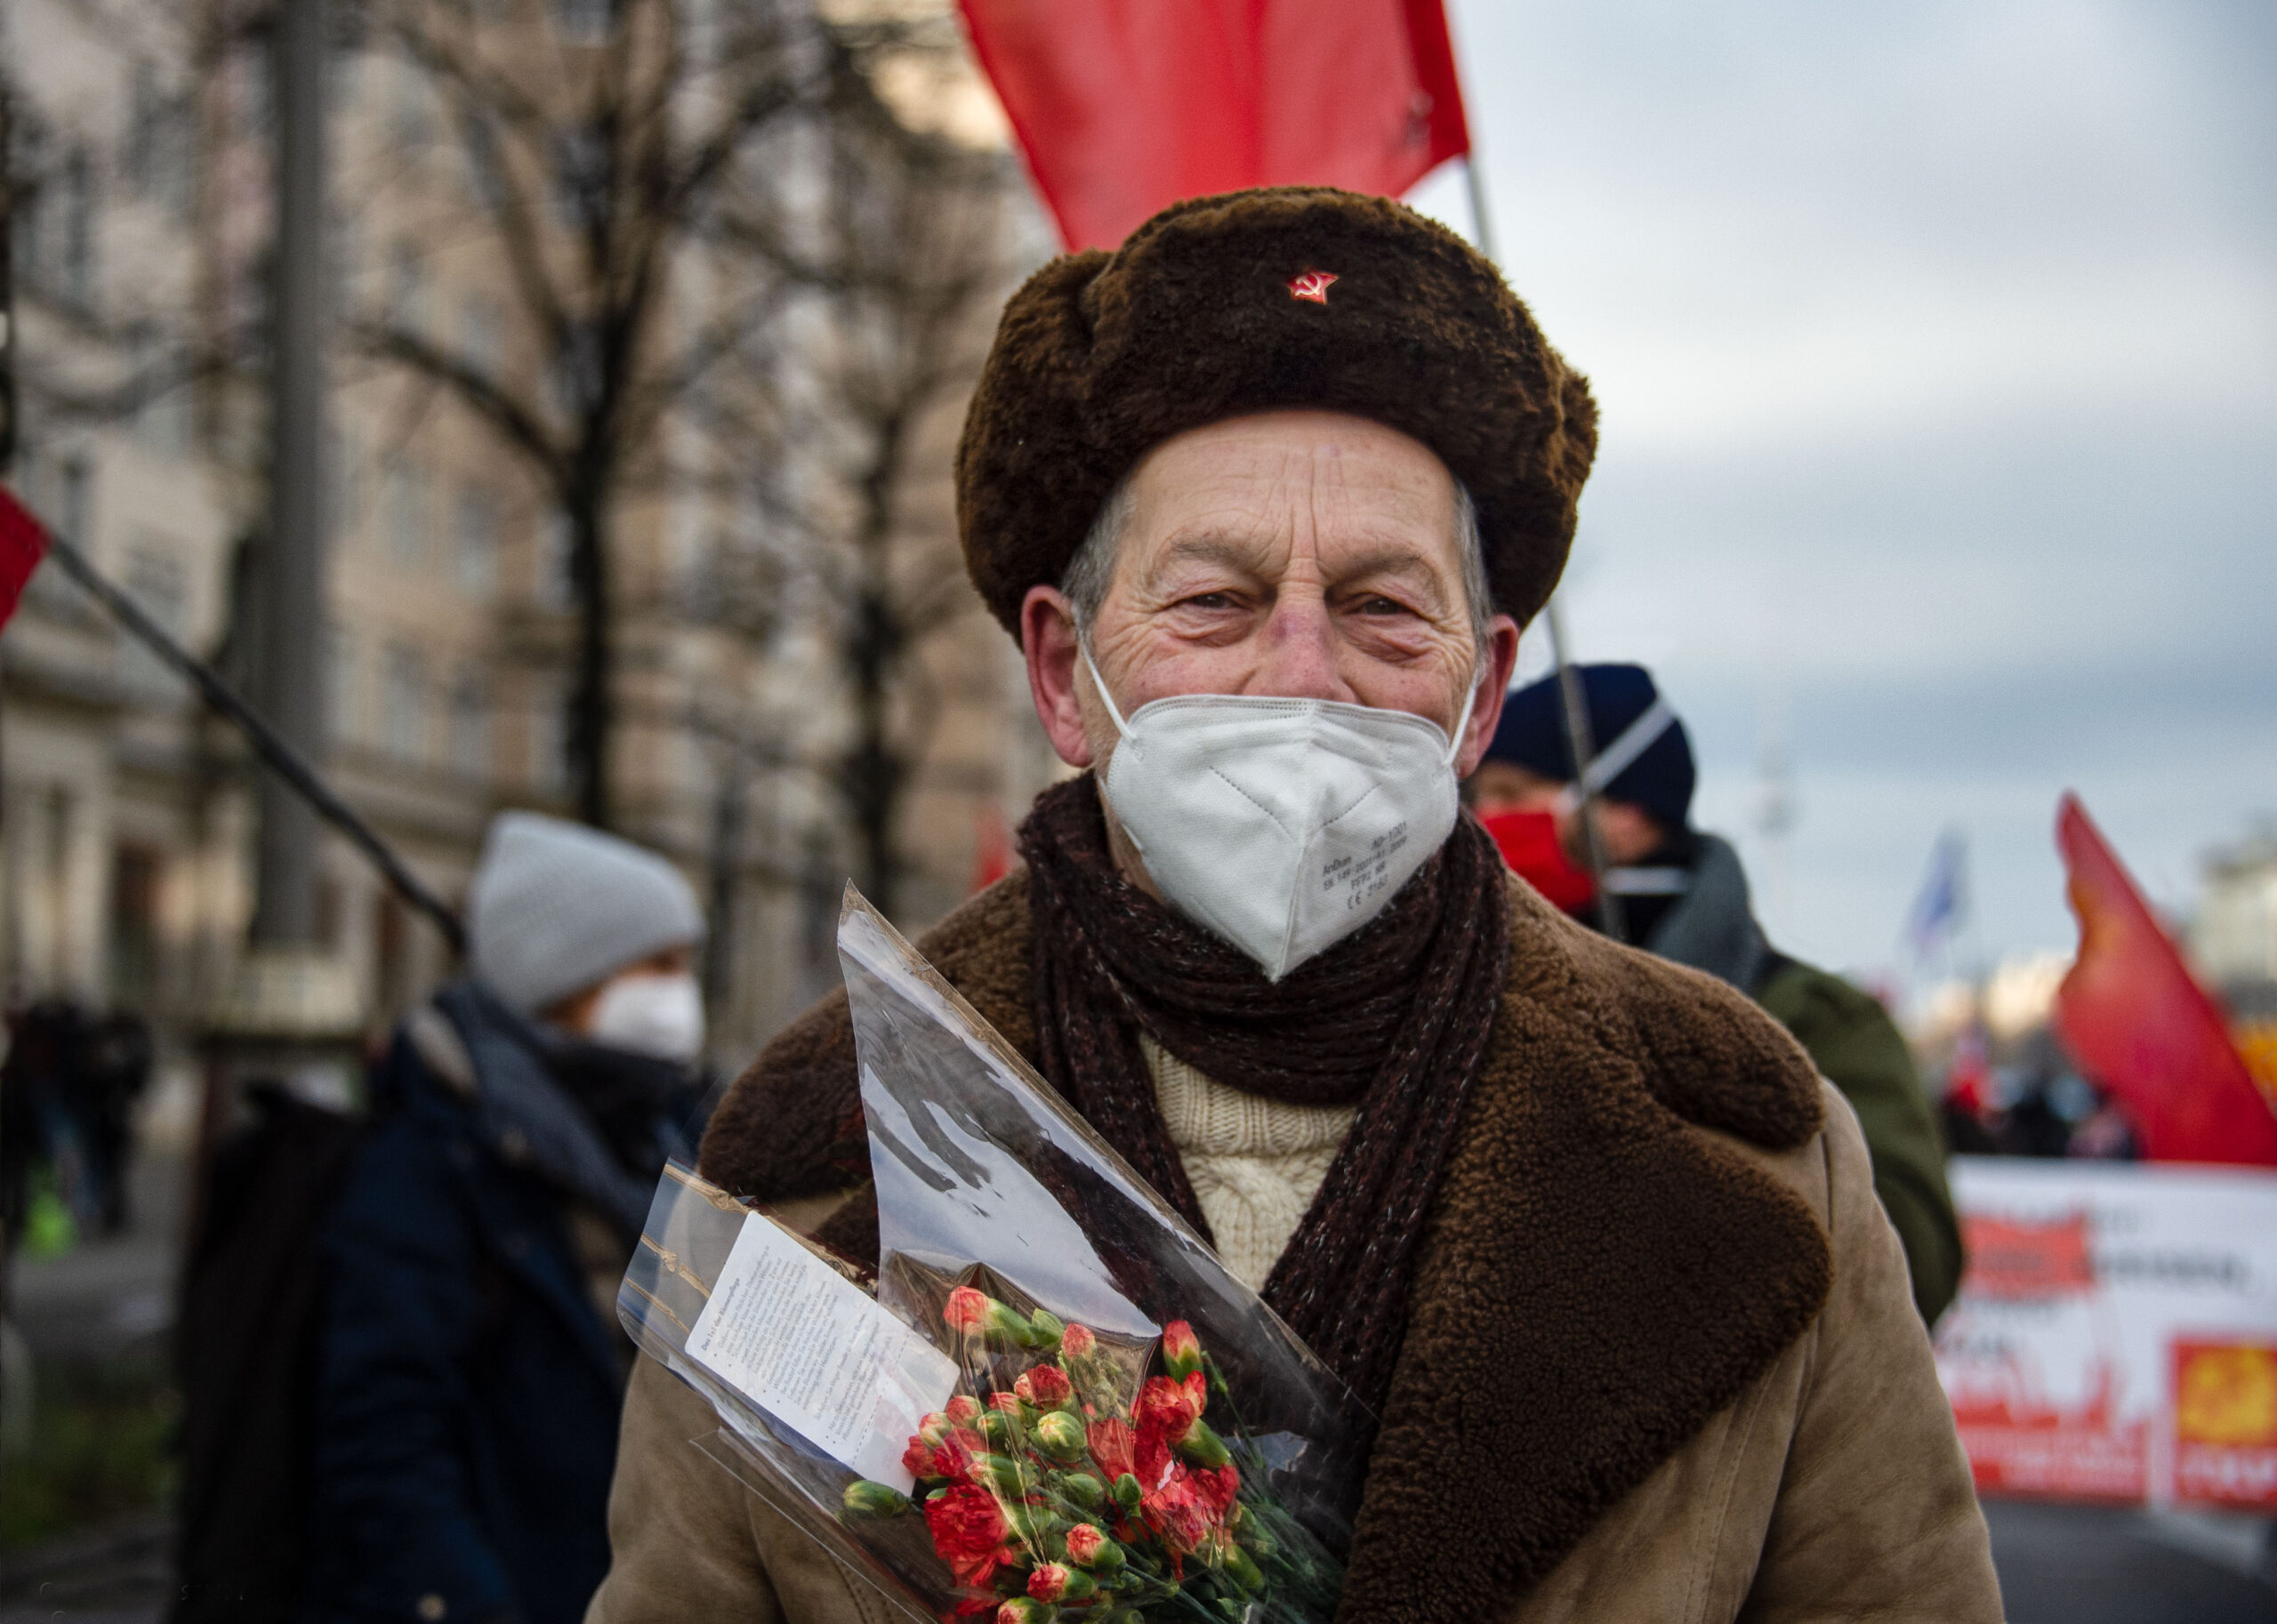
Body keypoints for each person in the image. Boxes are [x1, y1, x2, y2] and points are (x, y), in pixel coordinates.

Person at [590, 188, 2000, 1623]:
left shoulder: (1760, 1160)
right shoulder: (826, 1163)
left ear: (1484, 692)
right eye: (1215, 602)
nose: (1307, 674)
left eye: (1387, 608)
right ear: (1064, 674)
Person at [307, 812, 709, 1624]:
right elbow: (386, 1442)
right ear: (567, 978)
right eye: (657, 966)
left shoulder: (666, 1131)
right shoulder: (433, 1164)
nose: (679, 994)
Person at [1472, 663, 1966, 1325]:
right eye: (1479, 798)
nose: (1485, 821)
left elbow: (1913, 1263)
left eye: (1512, 794)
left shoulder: (1813, 1020)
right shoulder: (1468, 997)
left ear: (1624, 812)